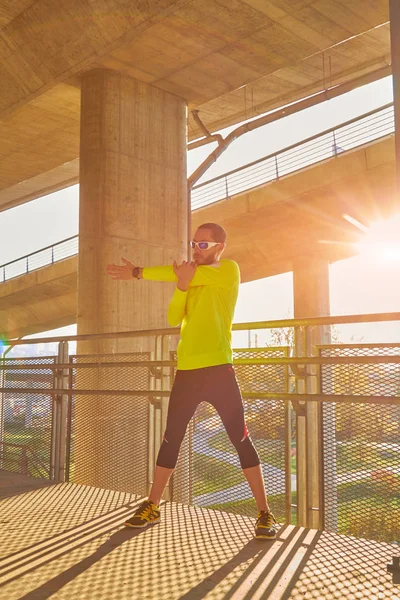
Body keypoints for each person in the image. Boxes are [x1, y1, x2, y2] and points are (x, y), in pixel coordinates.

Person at [106, 222, 277, 540]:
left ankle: (265, 513)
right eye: (193, 243)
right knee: (171, 438)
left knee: (240, 439)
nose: (195, 250)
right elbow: (173, 317)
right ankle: (152, 505)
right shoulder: (188, 278)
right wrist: (181, 286)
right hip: (187, 371)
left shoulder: (228, 270)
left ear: (219, 248)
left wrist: (140, 272)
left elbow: (182, 272)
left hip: (219, 370)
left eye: (203, 245)